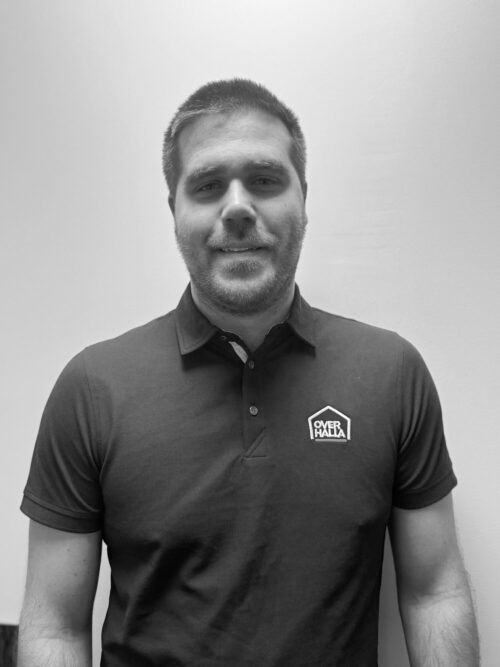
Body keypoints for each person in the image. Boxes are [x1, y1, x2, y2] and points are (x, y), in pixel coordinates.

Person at [18, 79, 480, 666]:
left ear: (303, 199)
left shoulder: (392, 373)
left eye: (264, 179)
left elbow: (434, 593)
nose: (237, 207)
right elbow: (55, 627)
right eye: (208, 185)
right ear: (174, 209)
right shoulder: (91, 387)